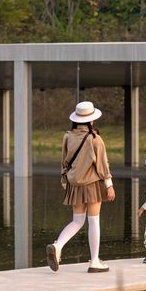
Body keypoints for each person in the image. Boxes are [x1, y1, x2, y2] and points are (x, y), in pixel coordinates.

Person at [46, 101, 115, 274]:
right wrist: (109, 185)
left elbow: (64, 162)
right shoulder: (95, 139)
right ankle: (94, 261)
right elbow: (102, 165)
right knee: (94, 221)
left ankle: (58, 245)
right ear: (92, 120)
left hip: (74, 184)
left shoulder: (68, 136)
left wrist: (65, 182)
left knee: (77, 220)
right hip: (91, 184)